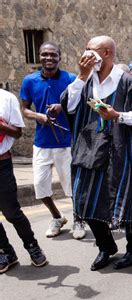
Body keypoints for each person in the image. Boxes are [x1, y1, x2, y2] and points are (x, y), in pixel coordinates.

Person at [59, 35, 132, 271]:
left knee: (126, 196)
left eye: (92, 50)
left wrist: (117, 115)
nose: (87, 54)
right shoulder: (86, 80)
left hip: (120, 148)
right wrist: (80, 75)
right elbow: (69, 107)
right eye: (86, 49)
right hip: (90, 147)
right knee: (86, 197)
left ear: (106, 53)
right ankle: (106, 246)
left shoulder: (126, 80)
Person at [19, 42, 85, 239]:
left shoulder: (70, 79)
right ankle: (57, 217)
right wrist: (39, 117)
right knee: (40, 186)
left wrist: (61, 106)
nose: (49, 58)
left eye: (53, 55)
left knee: (71, 186)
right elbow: (24, 109)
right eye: (45, 54)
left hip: (66, 143)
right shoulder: (29, 80)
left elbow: (81, 107)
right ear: (39, 57)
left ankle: (78, 219)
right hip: (41, 143)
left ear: (59, 57)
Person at [0, 88, 47, 273]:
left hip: (2, 163)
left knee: (12, 213)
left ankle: (32, 246)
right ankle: (6, 253)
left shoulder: (6, 98)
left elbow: (17, 133)